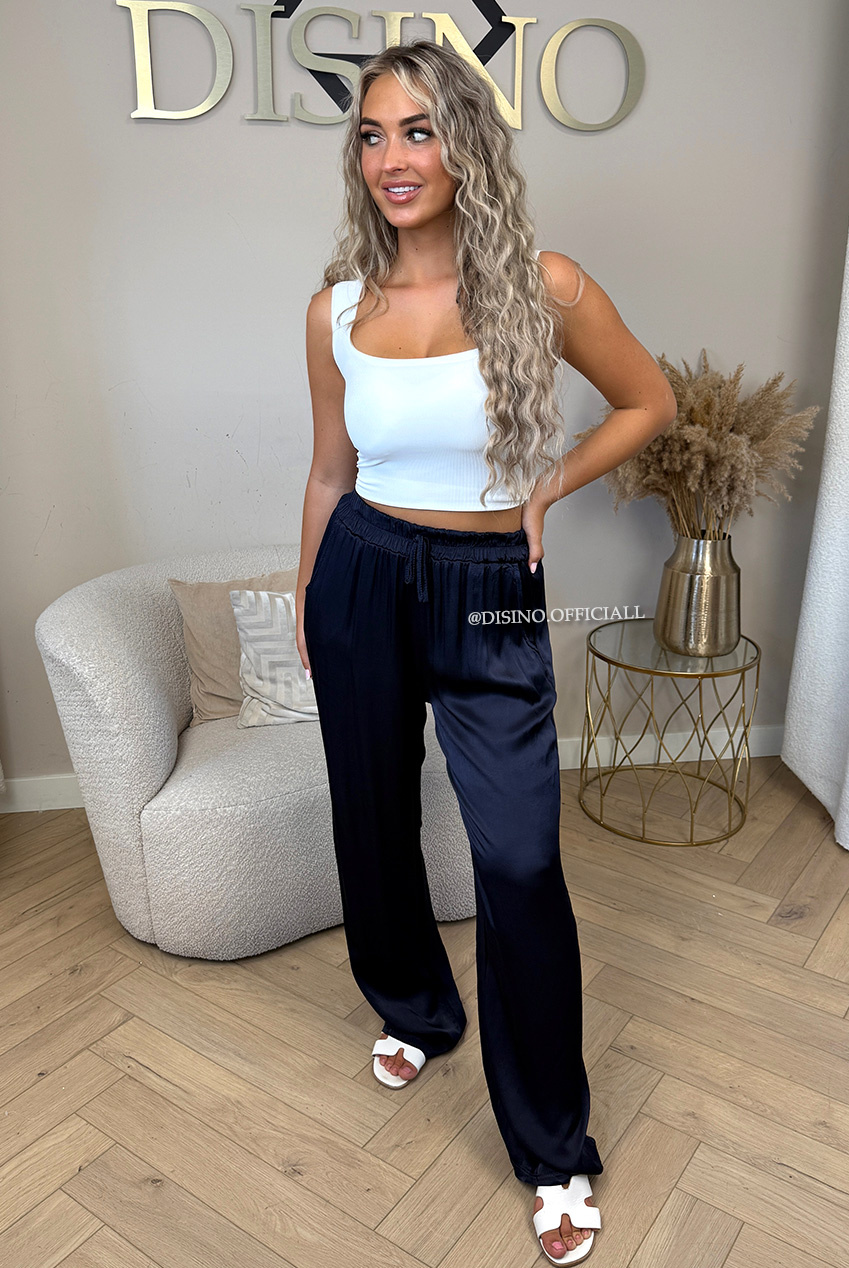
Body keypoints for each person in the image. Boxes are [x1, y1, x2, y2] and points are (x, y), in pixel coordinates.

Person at [296, 38, 677, 1266]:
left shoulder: (543, 286)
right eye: (372, 135)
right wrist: (308, 600)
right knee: (368, 813)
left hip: (490, 585)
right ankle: (414, 1006)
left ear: (465, 143)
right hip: (361, 572)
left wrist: (549, 484)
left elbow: (651, 401)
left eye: (418, 130)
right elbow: (327, 473)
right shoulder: (336, 309)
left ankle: (553, 1144)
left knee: (518, 856)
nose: (393, 157)